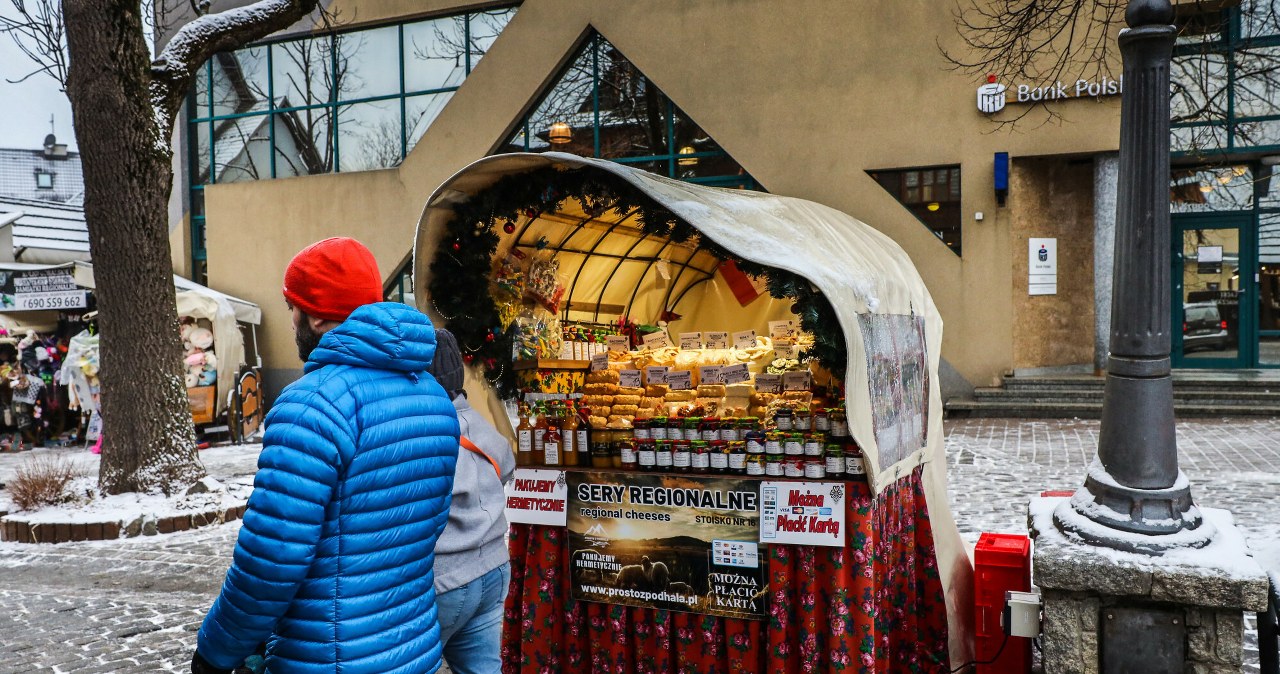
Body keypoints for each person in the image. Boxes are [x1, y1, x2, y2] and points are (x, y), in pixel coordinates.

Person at [192, 237, 460, 674]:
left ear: (317, 316)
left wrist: (216, 651)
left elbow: (272, 559)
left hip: (332, 656)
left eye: (292, 305)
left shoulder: (313, 405)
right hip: (412, 649)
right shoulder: (432, 395)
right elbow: (426, 527)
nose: (291, 316)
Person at [426, 329, 515, 674]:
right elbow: (505, 466)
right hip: (493, 569)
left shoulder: (427, 433)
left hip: (445, 579)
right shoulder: (479, 423)